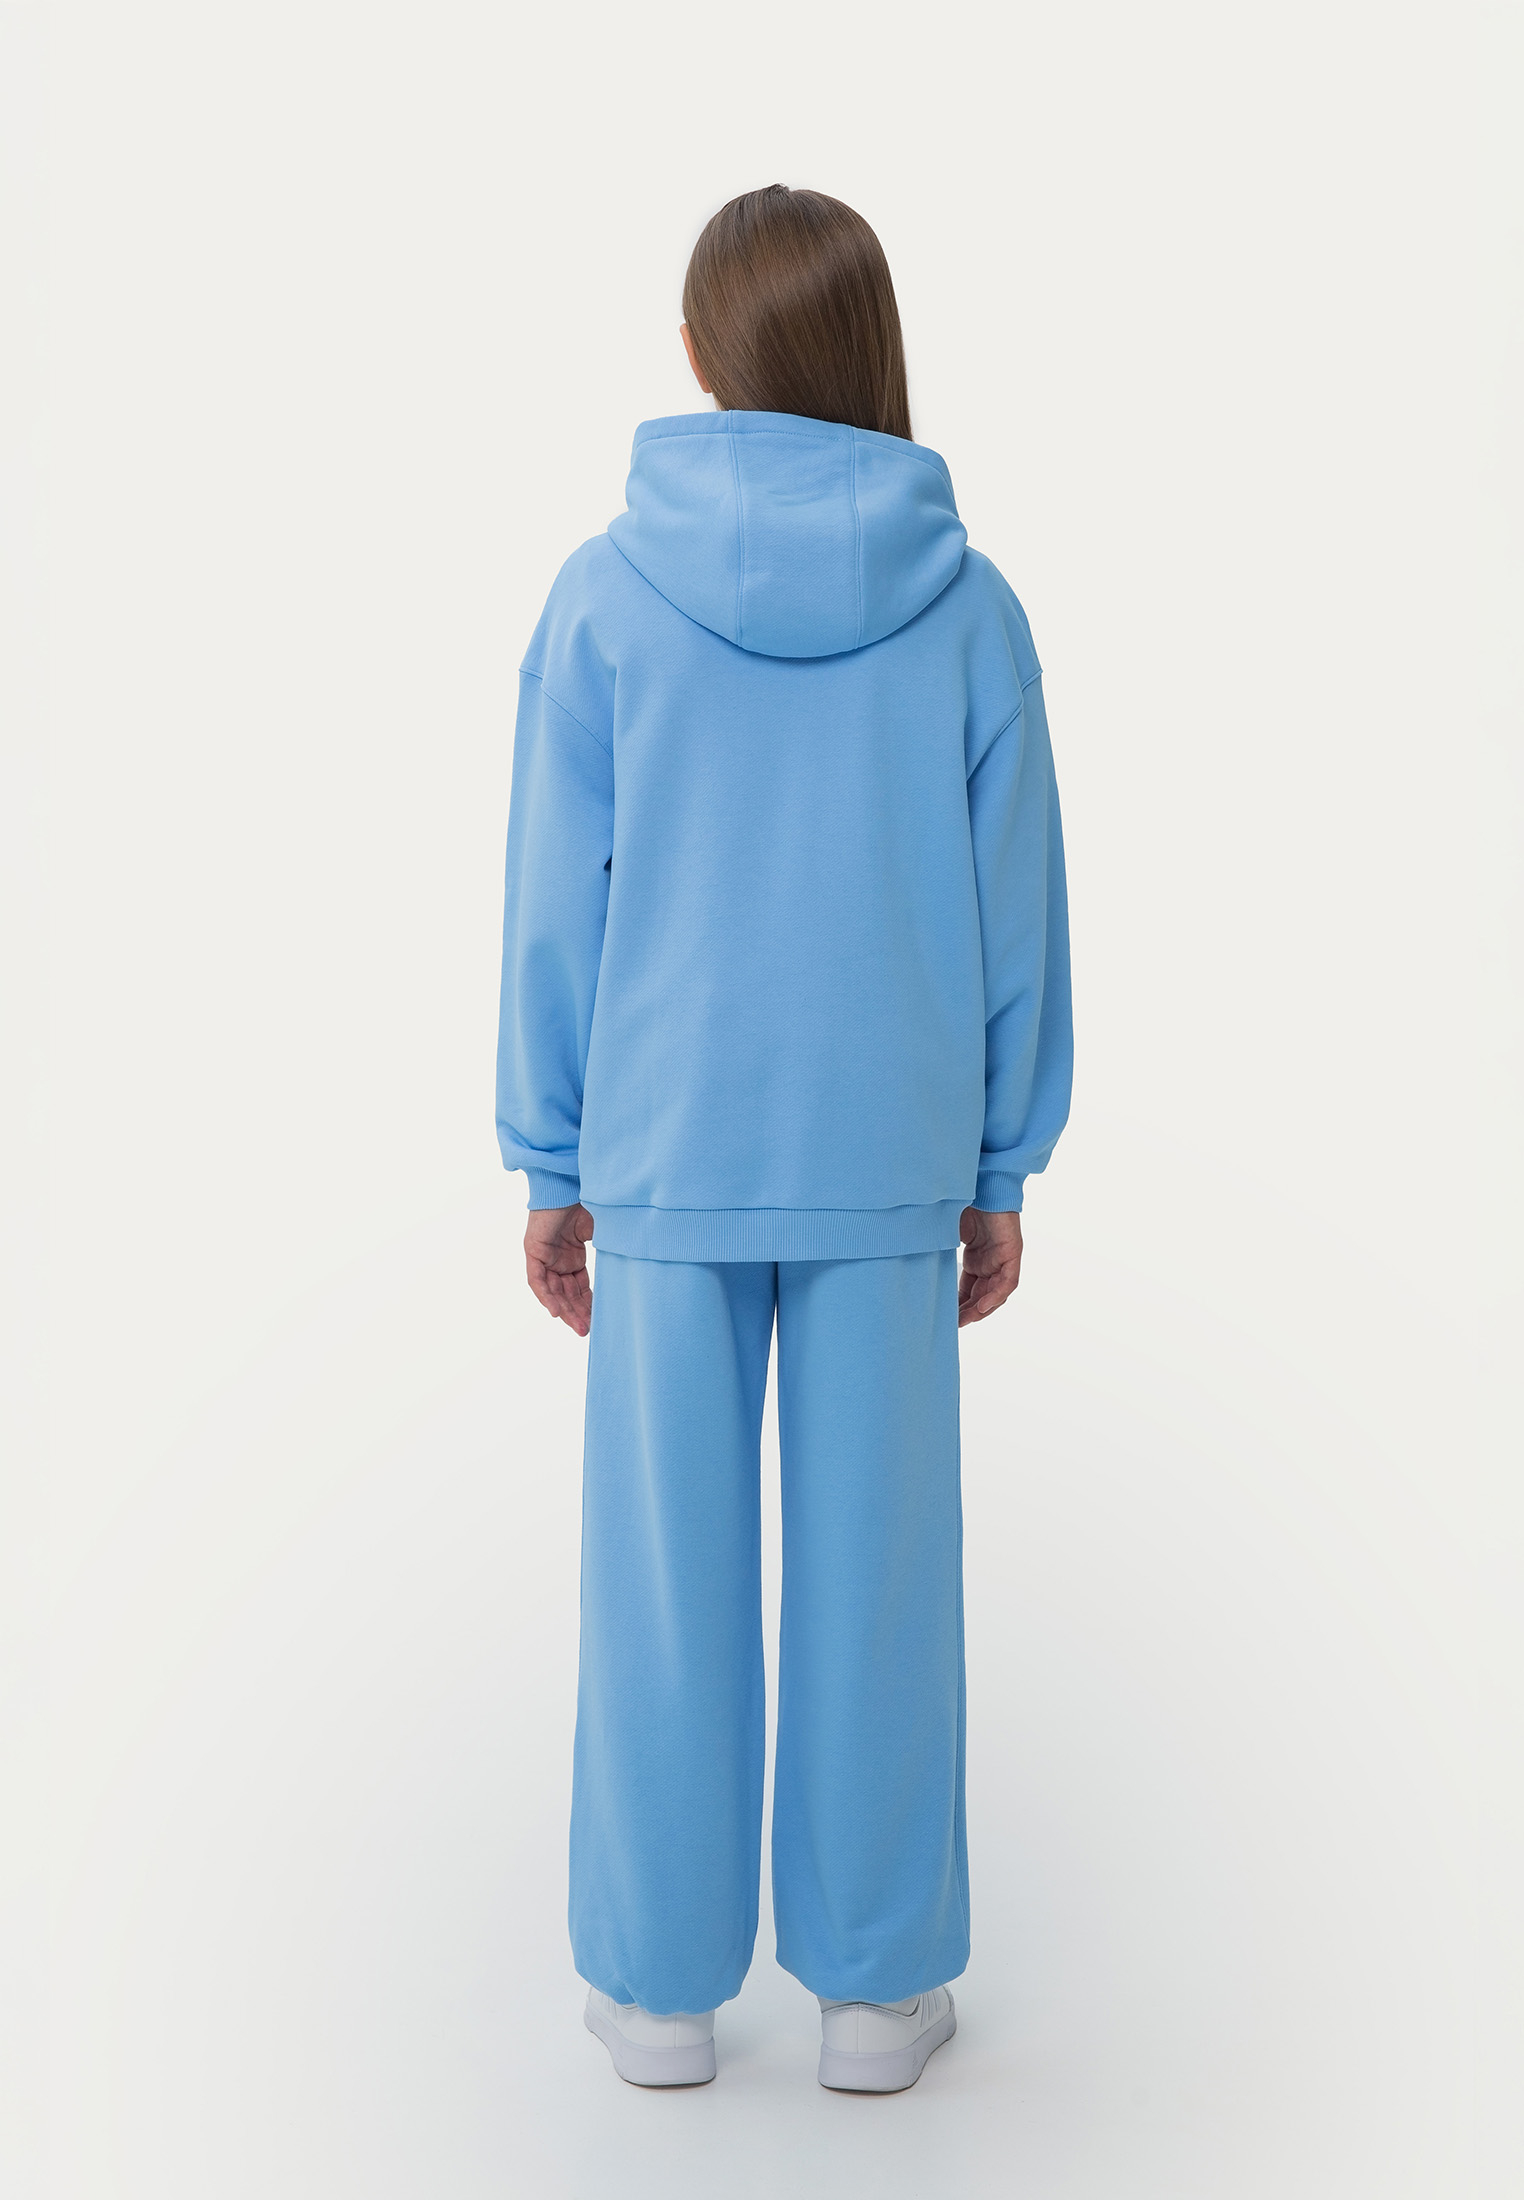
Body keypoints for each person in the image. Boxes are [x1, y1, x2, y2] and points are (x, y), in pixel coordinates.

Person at [496, 184, 1072, 2093]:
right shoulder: (971, 610)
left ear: (699, 356)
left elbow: (556, 904)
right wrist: (999, 1162)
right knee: (880, 1582)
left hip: (663, 1151)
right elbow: (1016, 908)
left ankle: (659, 1997)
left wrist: (551, 1156)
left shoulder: (603, 600)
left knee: (661, 1586)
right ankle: (877, 1998)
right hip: (887, 1153)